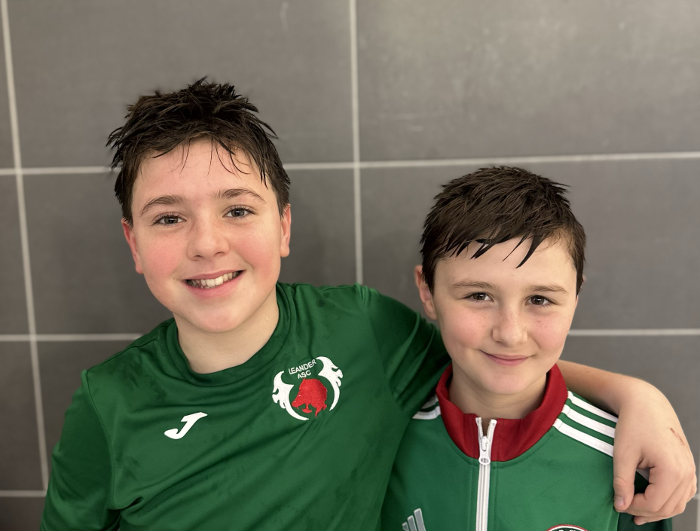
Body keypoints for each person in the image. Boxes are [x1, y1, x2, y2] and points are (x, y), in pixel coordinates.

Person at [41, 80, 695, 530]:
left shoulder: (364, 331)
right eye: (168, 218)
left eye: (237, 209)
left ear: (284, 225)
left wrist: (635, 395)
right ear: (133, 242)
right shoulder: (107, 403)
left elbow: (488, 352)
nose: (207, 244)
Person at [381, 167, 683, 530]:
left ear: (575, 298)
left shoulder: (629, 461)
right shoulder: (379, 444)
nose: (510, 334)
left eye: (539, 299)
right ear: (427, 292)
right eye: (478, 296)